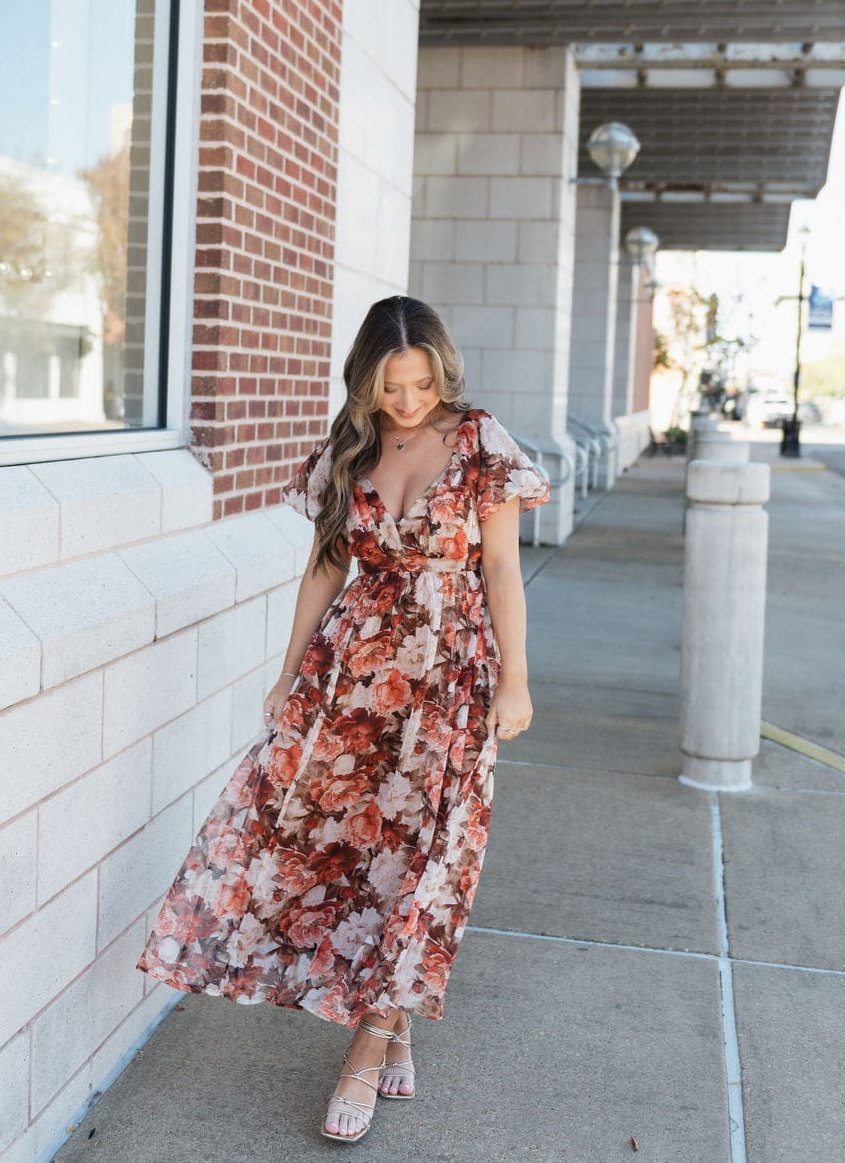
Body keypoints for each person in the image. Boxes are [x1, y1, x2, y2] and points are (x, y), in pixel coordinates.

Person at [137, 294, 551, 1143]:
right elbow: (325, 570)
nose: (408, 401)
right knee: (339, 844)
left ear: (442, 369)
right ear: (367, 380)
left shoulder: (480, 443)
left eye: (422, 381)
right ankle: (394, 1019)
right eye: (392, 385)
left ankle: (366, 1050)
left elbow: (502, 570)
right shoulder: (348, 449)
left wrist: (517, 681)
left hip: (450, 675)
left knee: (431, 856)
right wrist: (289, 672)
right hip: (353, 679)